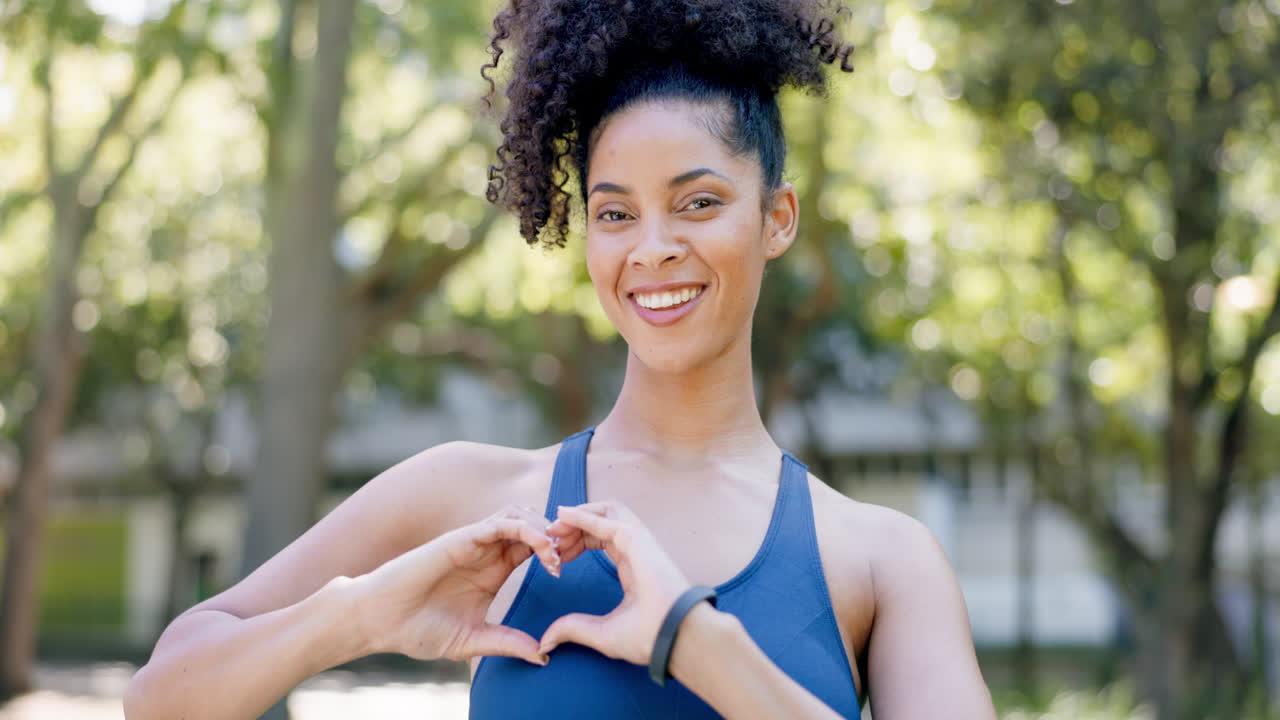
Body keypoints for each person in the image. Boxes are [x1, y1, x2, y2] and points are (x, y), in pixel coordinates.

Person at [124, 1, 997, 718]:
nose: (652, 250)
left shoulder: (885, 558)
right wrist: (359, 614)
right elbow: (160, 698)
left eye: (697, 202)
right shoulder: (469, 496)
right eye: (616, 214)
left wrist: (692, 641)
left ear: (777, 218)